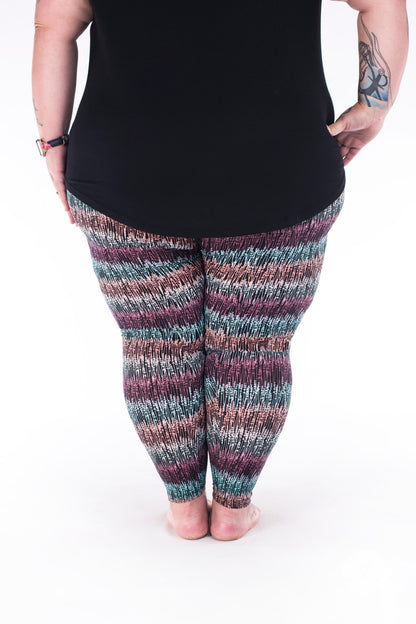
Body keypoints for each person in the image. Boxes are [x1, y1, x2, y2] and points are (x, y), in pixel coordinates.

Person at [32, 0, 409, 541]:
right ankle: (233, 508)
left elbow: (54, 26)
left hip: (124, 168)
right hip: (279, 168)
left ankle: (185, 507)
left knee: (156, 343)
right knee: (253, 349)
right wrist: (375, 106)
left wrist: (52, 142)